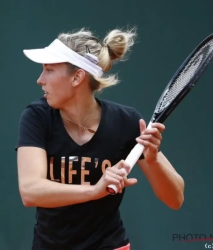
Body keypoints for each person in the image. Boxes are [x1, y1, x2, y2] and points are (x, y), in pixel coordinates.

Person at [15, 27, 185, 250]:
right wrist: (95, 190)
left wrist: (152, 160)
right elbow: (30, 190)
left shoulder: (127, 122)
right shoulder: (37, 117)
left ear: (77, 77)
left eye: (49, 70)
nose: (40, 79)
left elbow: (175, 199)